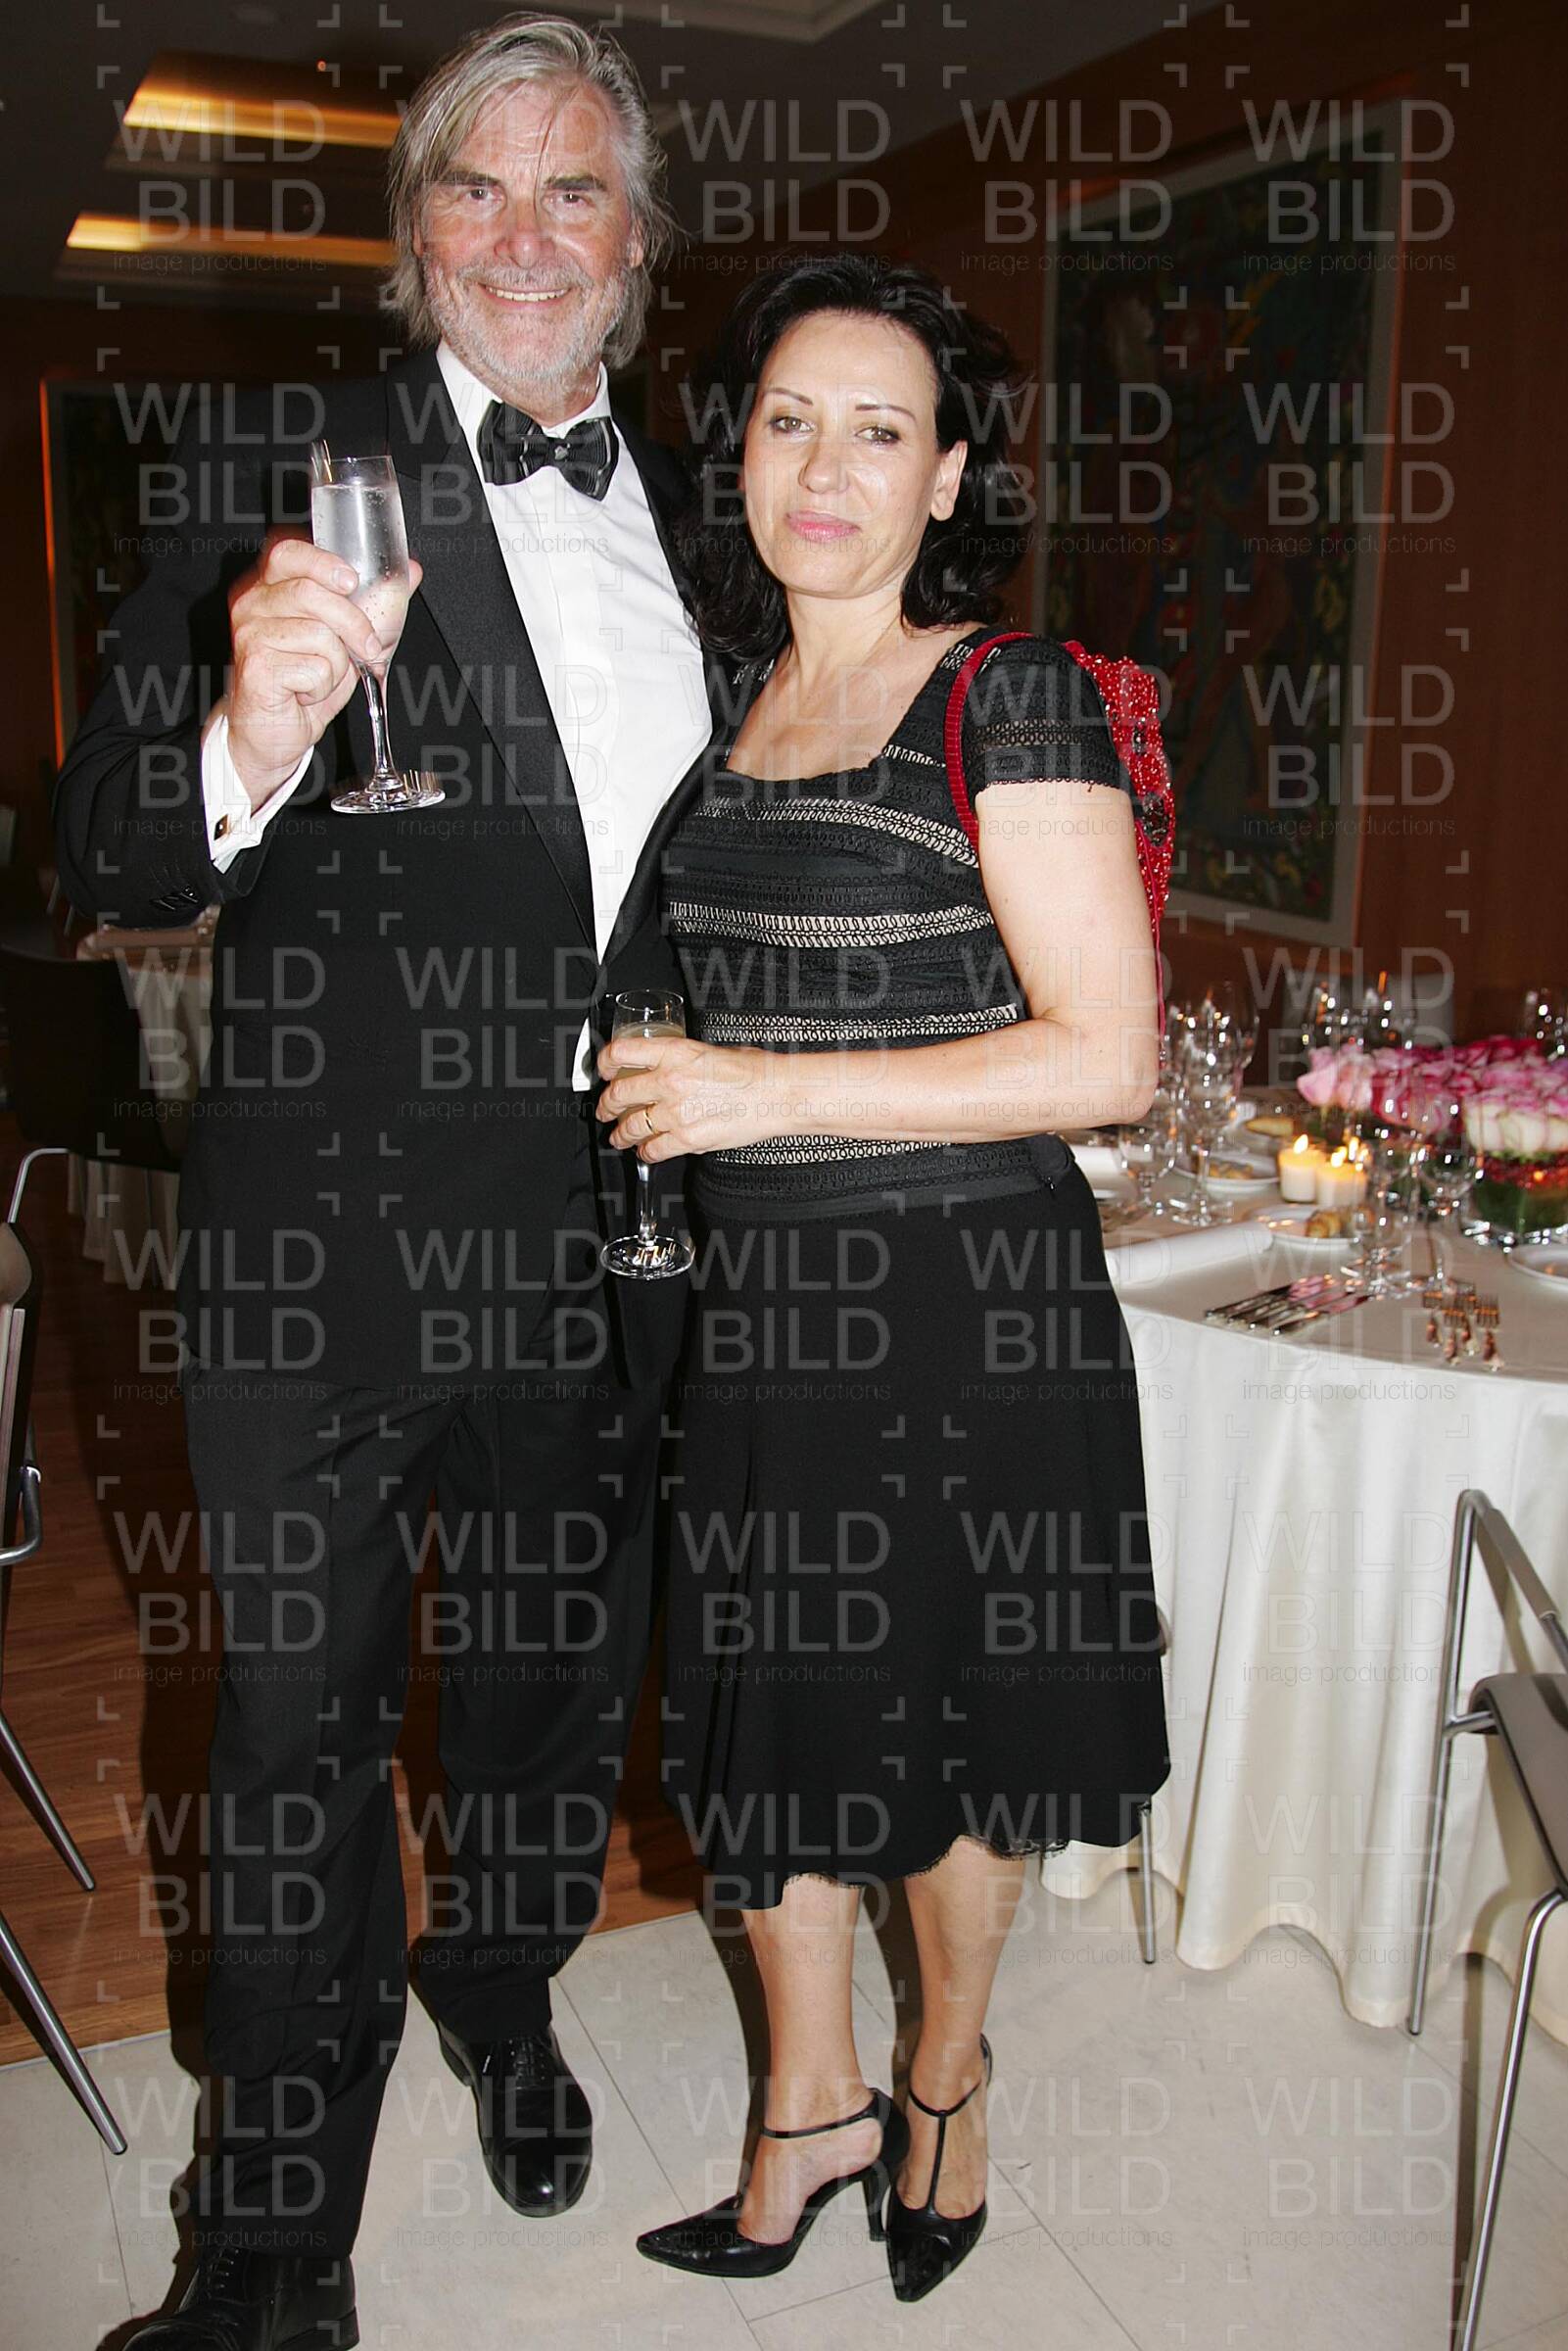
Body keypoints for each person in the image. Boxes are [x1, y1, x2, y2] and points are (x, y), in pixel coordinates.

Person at [53, 18, 717, 2347]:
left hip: (609, 1232)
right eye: (475, 188)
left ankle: (501, 1988)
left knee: (546, 1686)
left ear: (636, 243)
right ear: (412, 230)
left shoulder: (712, 506)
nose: (525, 238)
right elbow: (104, 850)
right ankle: (269, 2237)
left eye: (574, 191)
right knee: (293, 1731)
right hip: (323, 1239)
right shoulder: (275, 465)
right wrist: (245, 733)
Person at [595, 254, 1173, 2303]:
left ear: (945, 480)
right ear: (738, 455)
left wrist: (754, 1091)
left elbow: (1109, 1057)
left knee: (953, 1724)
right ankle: (809, 2106)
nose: (824, 467)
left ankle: (943, 2078)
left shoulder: (1005, 693)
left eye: (879, 429)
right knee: (775, 1720)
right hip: (763, 1316)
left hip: (963, 1307)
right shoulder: (727, 705)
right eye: (787, 421)